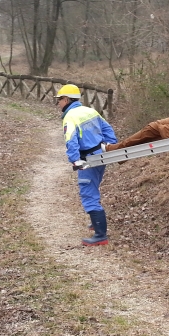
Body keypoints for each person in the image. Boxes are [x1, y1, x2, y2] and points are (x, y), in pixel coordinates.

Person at [55, 84, 118, 246]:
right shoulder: (90, 111)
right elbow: (107, 129)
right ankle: (96, 222)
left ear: (66, 99)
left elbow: (71, 140)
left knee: (88, 193)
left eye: (59, 100)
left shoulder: (70, 117)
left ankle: (100, 235)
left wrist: (75, 160)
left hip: (88, 159)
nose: (58, 103)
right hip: (100, 156)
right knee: (93, 188)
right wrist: (111, 145)